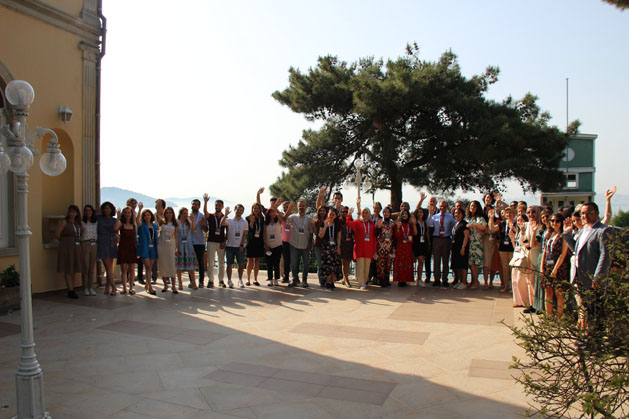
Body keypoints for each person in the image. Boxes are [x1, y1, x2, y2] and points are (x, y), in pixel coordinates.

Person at [563, 201, 612, 328]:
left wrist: (598, 277)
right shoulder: (583, 231)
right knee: (585, 310)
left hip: (594, 279)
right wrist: (567, 235)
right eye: (582, 213)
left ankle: (595, 337)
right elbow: (576, 250)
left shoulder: (603, 230)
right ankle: (588, 336)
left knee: (595, 312)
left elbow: (605, 256)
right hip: (581, 277)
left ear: (596, 213)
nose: (584, 216)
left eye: (588, 213)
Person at [540, 212, 571, 317]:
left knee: (559, 293)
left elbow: (563, 253)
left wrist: (555, 269)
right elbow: (545, 251)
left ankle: (559, 317)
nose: (554, 223)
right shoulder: (550, 234)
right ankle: (548, 316)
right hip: (547, 266)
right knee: (548, 292)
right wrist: (542, 267)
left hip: (559, 267)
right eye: (552, 221)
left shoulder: (563, 235)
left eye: (557, 221)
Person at [345, 196, 377, 290]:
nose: (364, 214)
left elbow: (373, 237)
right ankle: (361, 282)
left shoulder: (371, 224)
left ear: (369, 214)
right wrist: (349, 214)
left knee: (367, 266)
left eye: (366, 212)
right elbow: (348, 223)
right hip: (360, 248)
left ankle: (365, 281)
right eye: (363, 212)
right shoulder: (357, 222)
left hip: (368, 248)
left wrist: (374, 249)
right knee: (360, 266)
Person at [56, 205, 83, 298]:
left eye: (73, 212)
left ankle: (73, 287)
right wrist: (65, 242)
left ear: (77, 213)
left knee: (73, 268)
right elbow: (57, 234)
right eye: (70, 212)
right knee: (68, 268)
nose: (71, 214)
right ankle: (70, 290)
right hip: (67, 247)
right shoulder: (64, 222)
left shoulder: (77, 223)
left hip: (76, 247)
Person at [427, 201, 456, 287]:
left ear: (447, 207)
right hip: (436, 239)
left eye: (444, 206)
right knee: (436, 261)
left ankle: (445, 279)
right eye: (441, 206)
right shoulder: (434, 216)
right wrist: (430, 214)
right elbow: (429, 224)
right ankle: (436, 279)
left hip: (446, 239)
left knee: (445, 261)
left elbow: (454, 227)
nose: (442, 208)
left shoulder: (450, 217)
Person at [522, 206, 544, 314]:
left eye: (533, 212)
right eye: (529, 212)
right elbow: (524, 241)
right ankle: (532, 304)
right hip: (528, 255)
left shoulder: (541, 227)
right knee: (529, 281)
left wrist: (529, 244)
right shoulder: (527, 226)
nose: (531, 214)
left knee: (536, 282)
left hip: (537, 255)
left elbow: (535, 244)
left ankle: (539, 305)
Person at [287, 201, 313, 288]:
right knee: (293, 263)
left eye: (303, 206)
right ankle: (294, 279)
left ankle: (304, 280)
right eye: (300, 206)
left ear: (305, 207)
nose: (301, 207)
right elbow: (284, 220)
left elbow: (311, 232)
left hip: (305, 244)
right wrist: (288, 210)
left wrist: (310, 244)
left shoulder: (309, 219)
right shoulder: (293, 217)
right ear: (297, 207)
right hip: (293, 243)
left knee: (305, 264)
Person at [222, 204, 248, 288]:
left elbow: (245, 234)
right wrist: (225, 214)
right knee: (229, 264)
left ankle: (240, 280)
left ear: (243, 212)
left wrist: (242, 245)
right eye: (237, 209)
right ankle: (229, 280)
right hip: (230, 246)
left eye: (241, 210)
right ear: (234, 210)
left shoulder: (244, 222)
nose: (239, 211)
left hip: (240, 246)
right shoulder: (229, 220)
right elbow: (222, 223)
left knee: (240, 264)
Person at [203, 194, 227, 288]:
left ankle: (221, 280)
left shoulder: (225, 217)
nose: (218, 207)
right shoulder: (211, 216)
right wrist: (205, 202)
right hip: (211, 241)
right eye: (216, 205)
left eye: (219, 205)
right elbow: (205, 212)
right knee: (210, 262)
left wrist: (224, 242)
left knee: (221, 262)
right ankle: (211, 280)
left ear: (222, 207)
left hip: (221, 242)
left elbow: (227, 231)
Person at [318, 207, 343, 289]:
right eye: (330, 214)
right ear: (327, 214)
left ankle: (332, 281)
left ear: (335, 216)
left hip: (334, 247)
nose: (331, 216)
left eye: (333, 214)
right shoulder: (323, 223)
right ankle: (327, 282)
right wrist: (325, 227)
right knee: (328, 265)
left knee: (334, 265)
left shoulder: (337, 225)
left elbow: (339, 237)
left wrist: (338, 247)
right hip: (326, 248)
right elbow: (320, 236)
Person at [97, 202, 118, 296]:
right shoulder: (99, 218)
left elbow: (116, 229)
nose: (106, 210)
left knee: (109, 267)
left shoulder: (114, 220)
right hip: (102, 243)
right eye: (104, 208)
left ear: (111, 210)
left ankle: (107, 286)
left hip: (111, 243)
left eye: (108, 208)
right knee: (108, 266)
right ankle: (114, 287)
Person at [509, 214, 531, 308]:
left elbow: (526, 245)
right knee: (514, 280)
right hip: (516, 256)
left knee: (520, 280)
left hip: (523, 256)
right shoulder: (517, 232)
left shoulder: (527, 231)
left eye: (521, 220)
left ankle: (526, 301)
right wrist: (512, 239)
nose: (520, 222)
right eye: (518, 220)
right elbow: (516, 246)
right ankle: (517, 300)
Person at [136, 208, 159, 295]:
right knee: (148, 266)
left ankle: (147, 284)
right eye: (145, 215)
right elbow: (137, 221)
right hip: (145, 248)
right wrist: (140, 209)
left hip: (152, 247)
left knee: (149, 268)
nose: (147, 217)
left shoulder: (154, 226)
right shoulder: (142, 225)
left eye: (148, 215)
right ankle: (150, 287)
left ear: (151, 216)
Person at [392, 209, 417, 287]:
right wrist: (398, 228)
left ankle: (405, 279)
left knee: (407, 263)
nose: (404, 215)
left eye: (406, 214)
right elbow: (396, 236)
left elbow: (415, 233)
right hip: (400, 247)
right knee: (400, 263)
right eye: (403, 214)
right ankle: (400, 280)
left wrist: (414, 224)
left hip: (408, 247)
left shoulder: (410, 224)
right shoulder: (398, 224)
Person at [176, 207, 199, 290]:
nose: (185, 215)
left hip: (188, 245)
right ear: (180, 214)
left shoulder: (188, 222)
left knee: (191, 264)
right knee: (179, 264)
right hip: (180, 244)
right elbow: (175, 235)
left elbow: (193, 230)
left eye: (186, 213)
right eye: (184, 213)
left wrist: (192, 220)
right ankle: (180, 283)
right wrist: (176, 247)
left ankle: (193, 282)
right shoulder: (177, 222)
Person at [116, 206, 138, 295]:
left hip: (132, 248)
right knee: (124, 269)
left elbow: (135, 237)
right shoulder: (121, 224)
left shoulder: (134, 224)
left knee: (132, 269)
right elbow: (115, 228)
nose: (127, 214)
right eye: (125, 212)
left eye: (129, 212)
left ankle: (131, 288)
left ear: (131, 214)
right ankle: (124, 288)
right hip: (123, 247)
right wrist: (118, 217)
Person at [495, 207, 516, 293]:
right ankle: (506, 286)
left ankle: (513, 287)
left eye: (510, 212)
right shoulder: (502, 223)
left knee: (512, 268)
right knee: (505, 268)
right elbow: (492, 228)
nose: (508, 214)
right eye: (507, 213)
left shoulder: (516, 223)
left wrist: (513, 228)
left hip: (512, 248)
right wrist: (491, 218)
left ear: (514, 214)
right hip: (503, 248)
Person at [157, 206, 178, 293]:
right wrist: (159, 205)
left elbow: (176, 236)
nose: (169, 214)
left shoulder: (175, 224)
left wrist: (177, 248)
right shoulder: (162, 222)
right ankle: (165, 284)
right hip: (161, 245)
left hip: (171, 245)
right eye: (167, 213)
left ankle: (173, 286)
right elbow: (157, 215)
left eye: (170, 213)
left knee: (171, 265)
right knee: (162, 265)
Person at [466, 201, 486, 290]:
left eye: (474, 206)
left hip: (476, 244)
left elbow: (484, 227)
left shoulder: (479, 218)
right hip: (469, 243)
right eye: (471, 206)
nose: (472, 207)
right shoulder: (468, 218)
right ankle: (473, 280)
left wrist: (474, 225)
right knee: (470, 264)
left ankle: (476, 282)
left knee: (474, 264)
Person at [188, 199, 207, 287]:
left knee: (200, 262)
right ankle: (191, 281)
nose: (194, 206)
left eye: (196, 204)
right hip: (190, 241)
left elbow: (206, 230)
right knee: (190, 262)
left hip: (200, 242)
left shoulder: (202, 216)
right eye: (193, 204)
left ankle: (201, 281)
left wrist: (203, 225)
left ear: (199, 206)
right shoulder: (188, 216)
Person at [373, 206, 394, 287]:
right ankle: (381, 280)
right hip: (380, 247)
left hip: (389, 246)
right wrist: (378, 227)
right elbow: (375, 234)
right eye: (385, 212)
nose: (386, 213)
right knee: (380, 263)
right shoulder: (379, 221)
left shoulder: (392, 223)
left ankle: (386, 279)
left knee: (388, 263)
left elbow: (394, 235)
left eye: (388, 212)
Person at [245, 202, 265, 286]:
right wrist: (252, 222)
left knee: (257, 261)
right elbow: (250, 229)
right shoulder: (248, 218)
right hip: (251, 241)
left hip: (259, 241)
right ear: (252, 209)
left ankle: (255, 279)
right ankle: (248, 279)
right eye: (254, 208)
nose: (256, 210)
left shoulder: (262, 218)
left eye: (257, 208)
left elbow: (263, 230)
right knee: (250, 261)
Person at [80, 204, 98, 296]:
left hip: (93, 243)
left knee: (91, 267)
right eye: (86, 211)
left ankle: (91, 287)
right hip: (85, 243)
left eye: (90, 210)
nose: (88, 212)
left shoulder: (95, 222)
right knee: (85, 267)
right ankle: (85, 287)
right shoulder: (82, 222)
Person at [265, 206, 285, 286]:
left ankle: (276, 279)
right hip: (269, 245)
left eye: (274, 212)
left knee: (276, 263)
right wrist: (266, 244)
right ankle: (270, 279)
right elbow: (264, 234)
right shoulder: (266, 223)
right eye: (271, 212)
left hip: (278, 244)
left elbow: (283, 220)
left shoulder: (278, 221)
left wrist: (277, 210)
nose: (272, 213)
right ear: (268, 214)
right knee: (269, 263)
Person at [450, 207, 469, 289]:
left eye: (459, 213)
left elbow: (466, 236)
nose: (457, 214)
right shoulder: (456, 223)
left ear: (462, 214)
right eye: (455, 213)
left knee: (463, 265)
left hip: (461, 247)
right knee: (458, 265)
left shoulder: (464, 224)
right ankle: (460, 281)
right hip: (455, 247)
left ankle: (464, 282)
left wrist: (463, 247)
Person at [412, 207, 430, 286]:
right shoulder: (415, 222)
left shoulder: (425, 222)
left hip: (423, 243)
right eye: (418, 212)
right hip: (416, 243)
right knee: (418, 260)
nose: (420, 214)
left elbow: (426, 233)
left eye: (421, 212)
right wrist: (414, 224)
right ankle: (415, 278)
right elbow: (415, 233)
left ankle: (419, 279)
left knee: (421, 261)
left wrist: (428, 242)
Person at [313, 206, 328, 287]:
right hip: (318, 244)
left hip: (327, 245)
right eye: (320, 211)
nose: (322, 212)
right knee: (320, 263)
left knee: (326, 263)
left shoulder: (328, 221)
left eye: (323, 211)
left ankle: (326, 279)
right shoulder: (316, 222)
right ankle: (321, 280)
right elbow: (316, 233)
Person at [339, 206, 354, 288]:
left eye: (345, 212)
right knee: (344, 262)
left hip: (349, 244)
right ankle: (346, 279)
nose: (344, 213)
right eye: (343, 212)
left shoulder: (351, 221)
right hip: (342, 244)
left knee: (347, 262)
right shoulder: (339, 221)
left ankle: (345, 278)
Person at [280, 200, 292, 283]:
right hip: (284, 242)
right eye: (284, 207)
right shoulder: (282, 217)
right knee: (286, 260)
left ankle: (295, 277)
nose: (285, 209)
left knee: (294, 261)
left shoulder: (294, 216)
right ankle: (285, 277)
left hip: (293, 241)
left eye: (287, 207)